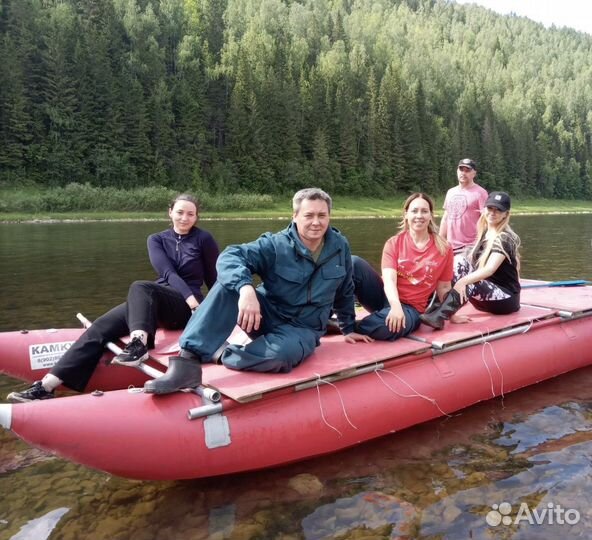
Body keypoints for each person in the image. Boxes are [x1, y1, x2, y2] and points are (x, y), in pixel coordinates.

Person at [143, 187, 372, 395]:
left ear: (329, 216)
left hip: (302, 328)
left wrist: (348, 327)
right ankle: (187, 363)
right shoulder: (274, 244)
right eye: (308, 215)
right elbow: (229, 256)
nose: (316, 222)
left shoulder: (339, 246)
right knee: (230, 283)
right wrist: (245, 289)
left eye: (322, 215)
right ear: (294, 216)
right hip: (264, 316)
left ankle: (223, 354)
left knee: (281, 356)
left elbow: (344, 289)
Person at [7, 194, 220, 402]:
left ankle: (138, 345)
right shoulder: (156, 239)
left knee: (140, 287)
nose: (184, 218)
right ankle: (47, 385)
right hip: (153, 297)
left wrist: (208, 307)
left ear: (196, 217)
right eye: (180, 212)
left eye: (190, 214)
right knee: (99, 327)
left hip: (185, 308)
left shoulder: (204, 239)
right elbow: (167, 274)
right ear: (170, 212)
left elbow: (214, 279)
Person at [351, 193, 454, 341]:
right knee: (353, 263)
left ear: (431, 215)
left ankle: (355, 326)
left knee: (389, 328)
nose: (419, 215)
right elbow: (389, 281)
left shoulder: (444, 248)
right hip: (385, 297)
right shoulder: (394, 243)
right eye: (414, 211)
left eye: (424, 211)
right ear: (406, 214)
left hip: (411, 309)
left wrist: (452, 314)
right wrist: (395, 307)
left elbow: (444, 287)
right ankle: (334, 320)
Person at [420, 191, 521, 329]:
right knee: (459, 260)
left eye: (498, 210)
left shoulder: (505, 237)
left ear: (506, 214)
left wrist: (463, 281)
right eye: (490, 208)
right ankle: (436, 309)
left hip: (506, 300)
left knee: (471, 281)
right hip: (484, 299)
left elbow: (489, 269)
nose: (493, 212)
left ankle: (440, 316)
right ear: (484, 209)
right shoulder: (484, 233)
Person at [440, 158, 488, 253]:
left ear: (474, 173)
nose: (463, 173)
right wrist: (440, 241)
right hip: (450, 247)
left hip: (470, 248)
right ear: (457, 171)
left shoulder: (481, 193)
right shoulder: (450, 192)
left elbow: (486, 221)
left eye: (467, 170)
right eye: (461, 169)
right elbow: (445, 218)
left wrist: (482, 245)